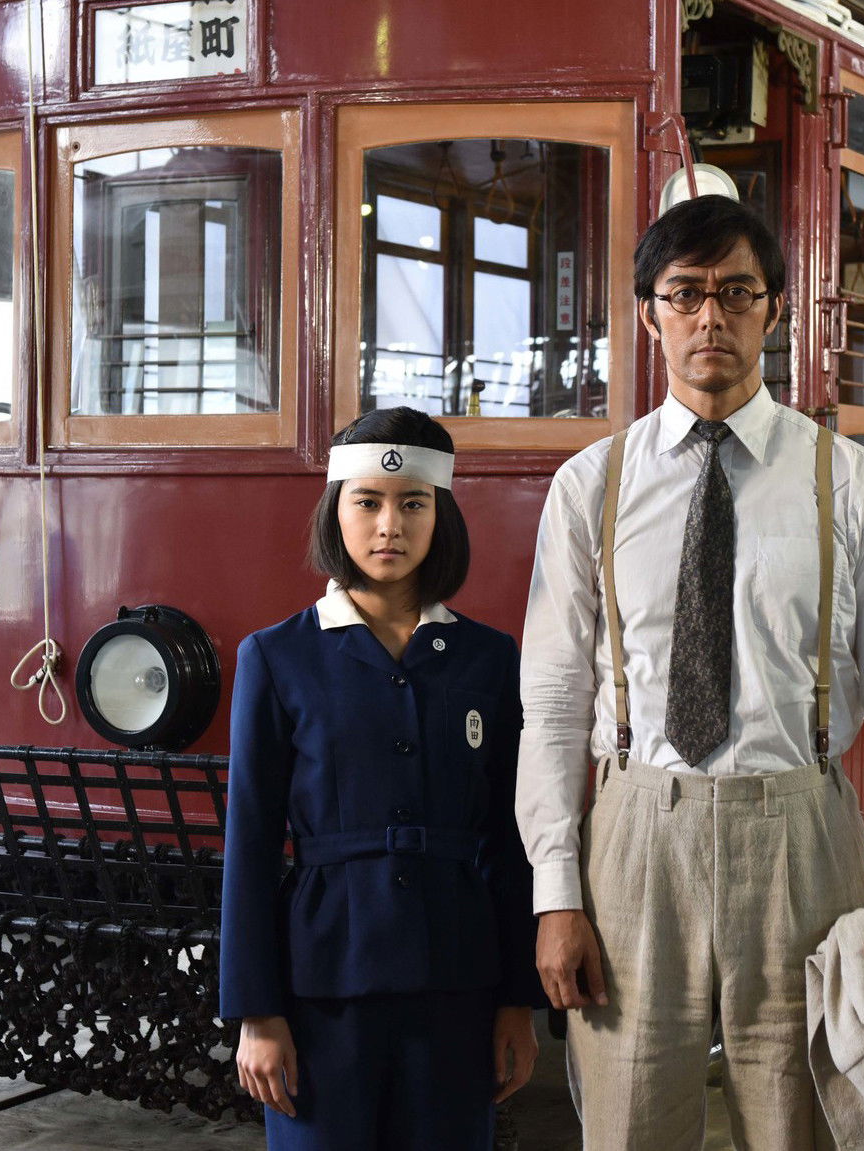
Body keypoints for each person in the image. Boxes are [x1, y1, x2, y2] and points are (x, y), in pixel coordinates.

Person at [516, 194, 864, 1149]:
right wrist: (556, 892)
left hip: (801, 837)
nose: (709, 317)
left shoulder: (849, 483)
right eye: (685, 294)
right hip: (637, 833)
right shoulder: (591, 485)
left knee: (801, 1125)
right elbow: (554, 702)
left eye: (736, 291)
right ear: (650, 312)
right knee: (632, 1127)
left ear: (774, 310)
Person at [219, 407, 544, 1149]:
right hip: (320, 986)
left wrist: (516, 1001)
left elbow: (509, 837)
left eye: (413, 504)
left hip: (457, 982)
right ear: (337, 512)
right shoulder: (276, 657)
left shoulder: (489, 660)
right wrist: (255, 1010)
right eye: (366, 502)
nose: (388, 525)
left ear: (442, 515)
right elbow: (252, 841)